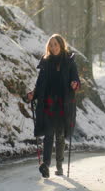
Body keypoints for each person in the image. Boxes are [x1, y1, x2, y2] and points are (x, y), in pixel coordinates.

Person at [27, 34, 80, 178]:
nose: (53, 47)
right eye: (51, 45)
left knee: (60, 136)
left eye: (55, 44)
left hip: (64, 104)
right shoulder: (46, 62)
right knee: (49, 134)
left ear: (61, 45)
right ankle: (46, 165)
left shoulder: (69, 62)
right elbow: (40, 83)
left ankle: (59, 165)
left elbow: (76, 79)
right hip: (49, 104)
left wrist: (74, 84)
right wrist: (34, 94)